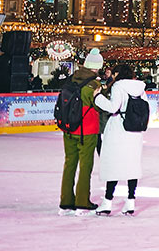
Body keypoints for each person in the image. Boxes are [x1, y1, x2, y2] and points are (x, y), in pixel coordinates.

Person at [94, 64, 148, 216]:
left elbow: (113, 107)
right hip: (135, 131)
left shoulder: (118, 86)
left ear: (118, 73)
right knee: (132, 166)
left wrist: (97, 98)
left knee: (114, 166)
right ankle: (130, 201)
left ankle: (107, 202)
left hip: (119, 129)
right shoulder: (140, 88)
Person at [58, 48, 104, 216]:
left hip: (69, 128)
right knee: (86, 166)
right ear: (97, 67)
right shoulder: (93, 85)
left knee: (69, 163)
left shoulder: (71, 80)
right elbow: (99, 106)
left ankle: (66, 201)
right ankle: (82, 202)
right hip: (87, 131)